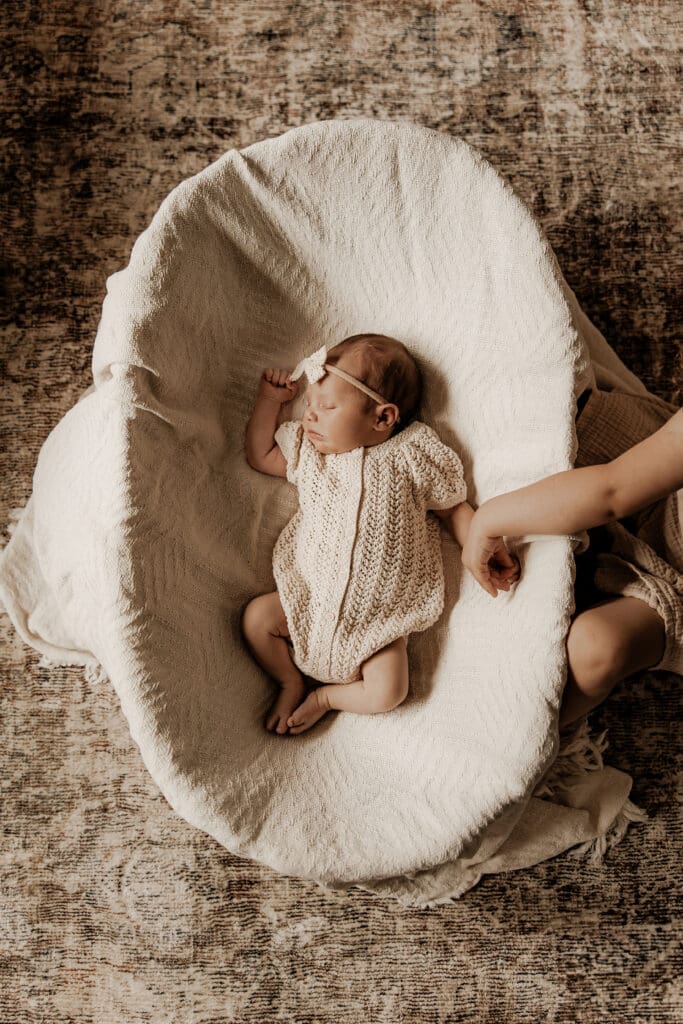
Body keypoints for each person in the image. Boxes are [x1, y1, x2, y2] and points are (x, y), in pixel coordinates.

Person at [241, 333, 520, 736]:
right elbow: (261, 453)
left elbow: (453, 506)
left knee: (389, 691)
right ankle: (289, 681)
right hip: (308, 606)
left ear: (383, 418)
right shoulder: (310, 455)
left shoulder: (410, 455)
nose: (309, 417)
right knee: (256, 619)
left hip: (379, 624)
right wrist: (270, 401)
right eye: (308, 406)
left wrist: (480, 545)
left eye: (327, 407)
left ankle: (326, 698)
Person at [462, 392, 683, 730]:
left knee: (599, 647)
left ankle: (510, 748)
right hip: (656, 490)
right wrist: (489, 520)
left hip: (675, 597)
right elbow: (613, 489)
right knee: (555, 424)